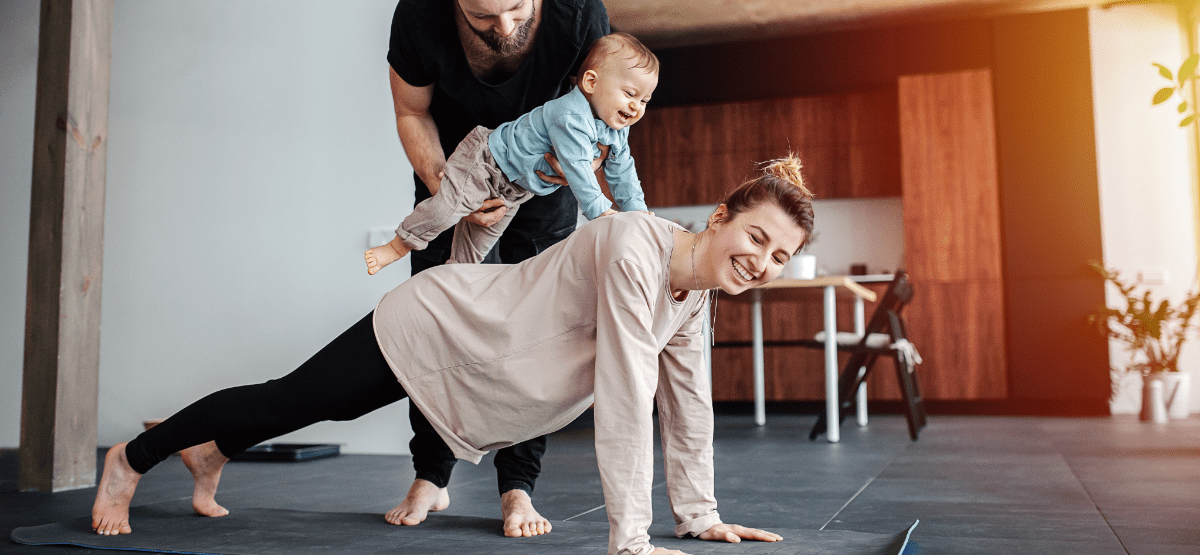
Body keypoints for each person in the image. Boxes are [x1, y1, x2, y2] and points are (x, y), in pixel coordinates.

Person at [91, 155, 815, 555]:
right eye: (755, 237)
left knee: (313, 403)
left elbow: (687, 409)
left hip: (485, 370)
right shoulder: (635, 244)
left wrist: (698, 513)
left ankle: (211, 451)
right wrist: (629, 538)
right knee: (296, 399)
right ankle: (132, 458)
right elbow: (627, 393)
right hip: (441, 324)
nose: (763, 260)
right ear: (720, 216)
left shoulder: (692, 298)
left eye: (779, 256)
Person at [386, 0, 611, 532]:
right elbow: (411, 110)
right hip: (450, 186)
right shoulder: (419, 10)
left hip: (540, 197)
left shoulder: (579, 10)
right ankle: (431, 475)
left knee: (534, 339)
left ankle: (517, 488)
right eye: (482, 14)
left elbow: (603, 122)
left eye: (517, 6)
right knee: (433, 329)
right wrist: (447, 192)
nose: (504, 25)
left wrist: (563, 174)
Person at [365, 32, 656, 274]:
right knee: (446, 209)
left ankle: (450, 280)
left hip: (514, 189)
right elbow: (577, 167)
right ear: (591, 82)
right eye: (630, 94)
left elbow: (624, 172)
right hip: (485, 161)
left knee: (476, 248)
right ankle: (396, 245)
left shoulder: (615, 130)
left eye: (645, 100)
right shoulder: (568, 115)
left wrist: (638, 215)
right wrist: (601, 212)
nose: (636, 107)